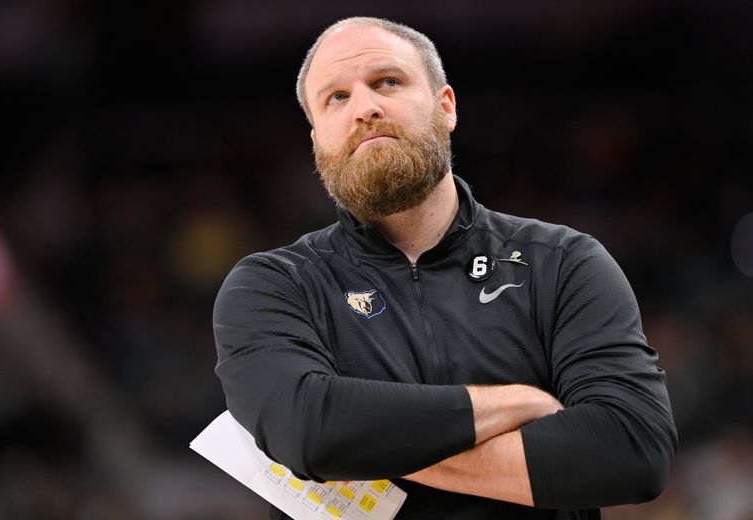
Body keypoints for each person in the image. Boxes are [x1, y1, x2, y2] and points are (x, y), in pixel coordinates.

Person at [212, 16, 677, 520]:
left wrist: (361, 443)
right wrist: (513, 403)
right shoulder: (274, 285)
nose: (365, 108)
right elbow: (305, 428)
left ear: (446, 106)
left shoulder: (562, 262)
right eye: (336, 98)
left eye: (387, 82)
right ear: (317, 138)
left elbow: (633, 451)